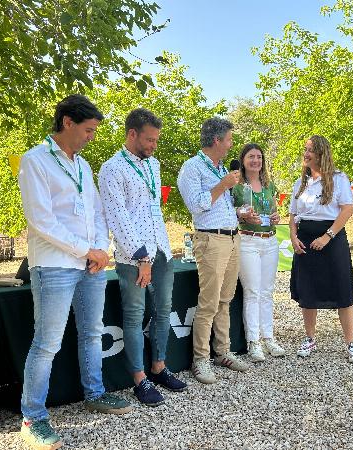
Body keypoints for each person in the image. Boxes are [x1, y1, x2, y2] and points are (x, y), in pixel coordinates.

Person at [18, 95, 132, 450]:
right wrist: (87, 250)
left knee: (92, 332)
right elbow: (41, 220)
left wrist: (100, 249)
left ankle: (94, 393)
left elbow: (97, 212)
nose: (91, 137)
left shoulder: (82, 165)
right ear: (67, 122)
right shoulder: (35, 160)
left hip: (89, 263)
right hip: (54, 264)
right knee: (47, 343)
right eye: (88, 130)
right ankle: (32, 418)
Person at [98, 108, 187, 408]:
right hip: (133, 256)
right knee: (135, 316)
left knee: (163, 310)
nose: (154, 145)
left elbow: (153, 209)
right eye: (149, 140)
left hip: (162, 248)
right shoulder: (111, 168)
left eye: (157, 140)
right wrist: (142, 257)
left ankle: (159, 367)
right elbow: (118, 217)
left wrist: (161, 249)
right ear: (132, 134)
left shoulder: (154, 164)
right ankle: (139, 379)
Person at [177, 117, 251, 384]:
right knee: (209, 302)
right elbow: (196, 205)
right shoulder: (192, 168)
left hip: (231, 237)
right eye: (229, 139)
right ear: (217, 140)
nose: (231, 145)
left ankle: (222, 352)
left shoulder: (221, 168)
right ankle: (200, 360)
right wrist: (223, 185)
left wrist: (240, 213)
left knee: (225, 300)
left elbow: (219, 206)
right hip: (210, 240)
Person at [289, 135, 353, 363]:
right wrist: (293, 236)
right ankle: (310, 338)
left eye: (310, 150)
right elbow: (293, 214)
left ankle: (351, 343)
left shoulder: (339, 179)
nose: (305, 153)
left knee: (342, 290)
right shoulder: (301, 182)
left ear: (321, 153)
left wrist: (327, 236)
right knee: (308, 290)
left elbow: (347, 210)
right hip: (305, 239)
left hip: (332, 239)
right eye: (305, 149)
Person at [232, 143, 286, 362]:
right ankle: (253, 342)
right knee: (253, 291)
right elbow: (229, 211)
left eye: (259, 157)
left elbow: (273, 211)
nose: (256, 161)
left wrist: (275, 217)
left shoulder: (269, 184)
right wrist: (242, 214)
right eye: (251, 157)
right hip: (248, 241)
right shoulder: (236, 186)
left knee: (267, 291)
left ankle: (268, 338)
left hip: (270, 241)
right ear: (243, 160)